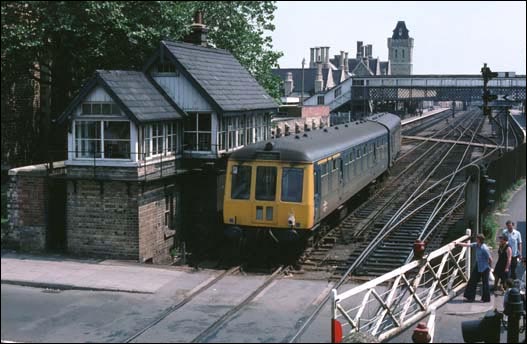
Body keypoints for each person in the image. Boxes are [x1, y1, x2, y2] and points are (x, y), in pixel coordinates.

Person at [455, 234, 493, 302]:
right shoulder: (476, 245)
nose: (476, 240)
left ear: (480, 240)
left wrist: (490, 267)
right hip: (478, 266)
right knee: (472, 281)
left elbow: (490, 259)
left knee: (485, 283)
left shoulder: (484, 248)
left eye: (477, 239)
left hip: (485, 267)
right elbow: (468, 245)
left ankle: (485, 299)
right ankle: (470, 297)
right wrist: (458, 243)